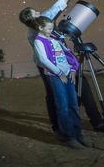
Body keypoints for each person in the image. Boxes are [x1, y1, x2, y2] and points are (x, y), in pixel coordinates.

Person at [19, 0, 104, 134]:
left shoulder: (40, 27)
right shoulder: (36, 31)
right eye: (35, 12)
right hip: (49, 68)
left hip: (65, 62)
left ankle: (95, 123)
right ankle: (61, 127)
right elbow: (54, 10)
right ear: (32, 19)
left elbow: (54, 13)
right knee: (55, 96)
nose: (38, 12)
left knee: (82, 89)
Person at [32, 16, 88, 149]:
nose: (52, 30)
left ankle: (78, 134)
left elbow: (67, 54)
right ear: (40, 28)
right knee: (63, 106)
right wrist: (59, 73)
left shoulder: (55, 38)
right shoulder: (38, 41)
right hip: (56, 76)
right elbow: (43, 60)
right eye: (49, 28)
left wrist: (73, 69)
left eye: (52, 28)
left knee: (73, 104)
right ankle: (69, 136)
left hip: (68, 74)